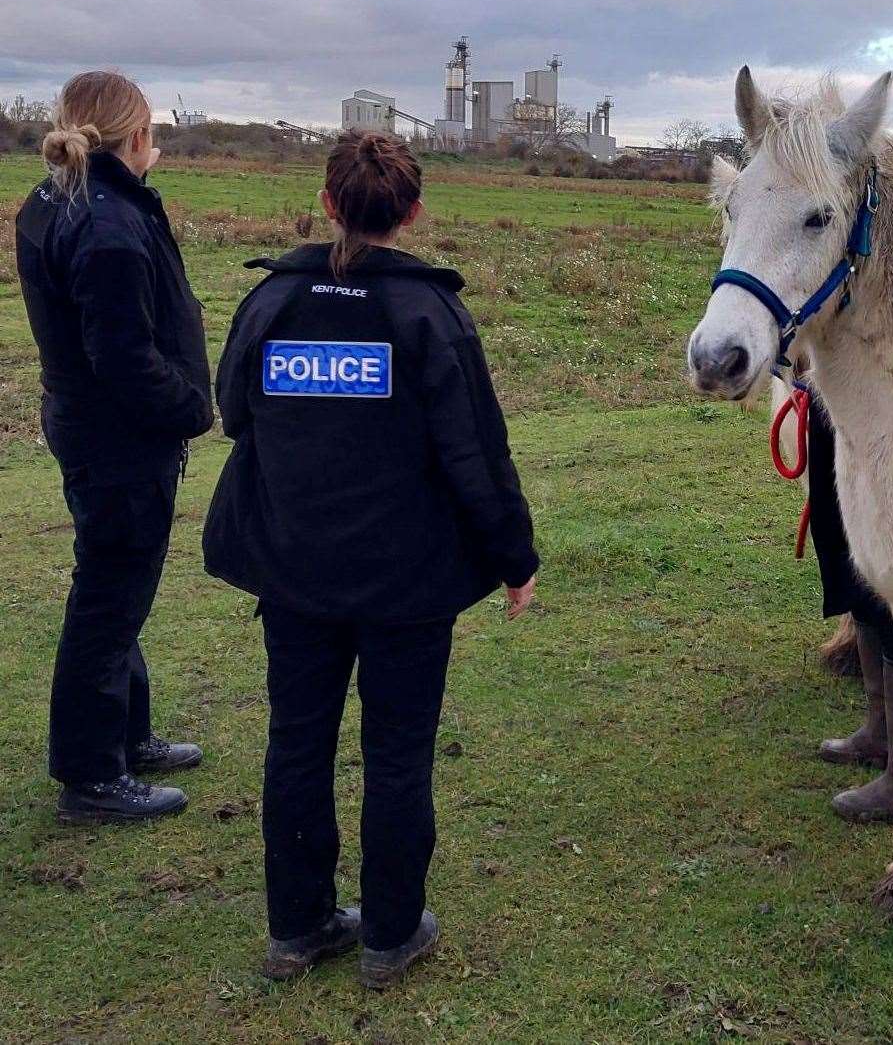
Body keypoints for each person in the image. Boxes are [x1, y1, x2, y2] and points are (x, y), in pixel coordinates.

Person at [202, 132, 539, 989]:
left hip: (298, 572)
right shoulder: (428, 315)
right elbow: (477, 455)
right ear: (413, 213)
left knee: (298, 743)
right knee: (396, 754)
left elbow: (234, 411)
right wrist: (515, 559)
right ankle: (387, 935)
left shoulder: (274, 303)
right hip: (406, 585)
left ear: (327, 204)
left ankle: (297, 927)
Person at [14, 71, 211, 824]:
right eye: (152, 131)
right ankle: (92, 775)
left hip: (90, 426)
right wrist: (188, 408)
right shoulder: (106, 225)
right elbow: (123, 358)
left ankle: (125, 736)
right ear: (136, 137)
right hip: (119, 439)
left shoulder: (59, 201)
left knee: (117, 588)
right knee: (108, 595)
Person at [805, 388, 893, 824]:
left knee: (887, 567)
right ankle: (880, 729)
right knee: (844, 549)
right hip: (830, 395)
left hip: (878, 395)